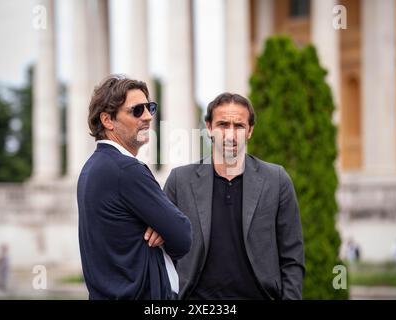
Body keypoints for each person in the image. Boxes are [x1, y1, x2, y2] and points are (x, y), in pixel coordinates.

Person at [164, 92, 305, 300]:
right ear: (209, 127)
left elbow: (292, 256)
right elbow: (161, 253)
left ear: (250, 131)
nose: (230, 135)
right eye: (223, 124)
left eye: (238, 126)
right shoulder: (180, 181)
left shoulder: (277, 180)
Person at [77, 75, 192, 300]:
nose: (148, 116)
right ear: (108, 120)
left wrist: (163, 228)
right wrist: (165, 229)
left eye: (150, 107)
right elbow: (183, 236)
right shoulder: (126, 169)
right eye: (137, 110)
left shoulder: (91, 167)